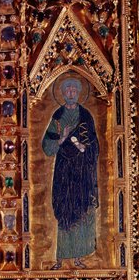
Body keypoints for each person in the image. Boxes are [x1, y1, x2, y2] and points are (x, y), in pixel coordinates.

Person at [42, 78, 99, 270]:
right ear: (64, 93)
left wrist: (84, 147)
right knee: (65, 209)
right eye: (68, 90)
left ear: (79, 93)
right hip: (64, 171)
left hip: (82, 171)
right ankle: (61, 257)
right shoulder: (58, 116)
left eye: (74, 90)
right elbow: (47, 146)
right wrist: (63, 138)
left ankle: (78, 257)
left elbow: (94, 144)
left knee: (81, 209)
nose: (72, 93)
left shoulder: (86, 116)